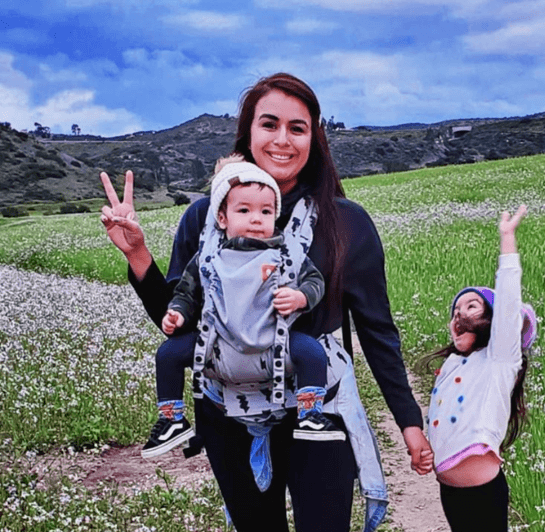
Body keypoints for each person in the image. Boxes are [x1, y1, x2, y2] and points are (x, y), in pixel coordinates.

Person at [100, 72, 431, 532]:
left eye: (297, 128)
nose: (282, 140)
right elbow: (175, 323)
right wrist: (137, 254)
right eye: (269, 124)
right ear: (248, 133)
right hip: (226, 409)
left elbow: (377, 330)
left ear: (314, 137)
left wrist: (409, 422)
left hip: (321, 409)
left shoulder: (346, 223)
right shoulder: (205, 217)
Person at [141, 159, 344, 460]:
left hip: (275, 345)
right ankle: (172, 418)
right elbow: (187, 292)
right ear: (221, 218)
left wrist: (300, 297)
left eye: (265, 211)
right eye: (244, 210)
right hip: (218, 347)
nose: (255, 219)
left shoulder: (286, 254)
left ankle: (310, 413)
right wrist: (177, 313)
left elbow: (315, 282)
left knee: (312, 353)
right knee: (168, 354)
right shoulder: (208, 258)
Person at [423, 205, 536, 532]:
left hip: (483, 491)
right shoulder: (453, 362)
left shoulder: (498, 360)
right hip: (449, 489)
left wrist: (507, 240)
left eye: (471, 306)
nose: (459, 313)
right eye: (455, 309)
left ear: (492, 318)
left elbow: (508, 303)